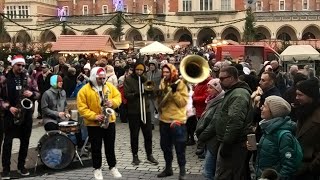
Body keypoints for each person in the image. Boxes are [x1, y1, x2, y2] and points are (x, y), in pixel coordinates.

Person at [77, 67, 122, 180]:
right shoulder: (84, 90)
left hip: (109, 121)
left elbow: (118, 97)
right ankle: (97, 169)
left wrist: (113, 102)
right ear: (93, 77)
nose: (102, 80)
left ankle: (112, 166)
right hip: (93, 124)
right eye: (100, 78)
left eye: (104, 78)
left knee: (110, 146)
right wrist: (94, 116)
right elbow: (82, 108)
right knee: (96, 147)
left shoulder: (109, 86)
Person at [0, 55, 40, 179]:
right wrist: (9, 107)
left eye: (23, 65)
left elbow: (38, 93)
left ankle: (21, 166)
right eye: (18, 65)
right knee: (7, 143)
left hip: (26, 116)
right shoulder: (3, 79)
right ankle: (6, 169)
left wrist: (32, 93)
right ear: (13, 65)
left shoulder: (28, 78)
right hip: (10, 115)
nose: (21, 68)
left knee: (25, 142)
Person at [214, 66, 252, 180]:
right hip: (230, 142)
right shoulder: (233, 92)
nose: (219, 82)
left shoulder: (239, 94)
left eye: (222, 79)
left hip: (233, 144)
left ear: (231, 78)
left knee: (226, 175)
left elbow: (235, 122)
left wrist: (227, 143)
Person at [247, 96, 298, 179]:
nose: (261, 107)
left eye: (265, 106)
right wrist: (257, 146)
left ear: (273, 112)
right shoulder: (268, 129)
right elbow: (271, 151)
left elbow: (288, 165)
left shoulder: (284, 135)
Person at [157, 63, 189, 180]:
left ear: (172, 72)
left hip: (177, 121)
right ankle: (168, 168)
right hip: (164, 119)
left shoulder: (181, 84)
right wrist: (159, 94)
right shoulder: (162, 82)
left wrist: (174, 92)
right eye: (163, 72)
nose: (165, 74)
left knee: (180, 147)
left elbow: (182, 103)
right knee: (165, 146)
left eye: (167, 72)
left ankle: (182, 171)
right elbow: (160, 102)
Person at [123, 61, 158, 166]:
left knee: (148, 134)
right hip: (134, 111)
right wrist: (138, 94)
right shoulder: (128, 80)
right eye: (137, 69)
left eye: (141, 70)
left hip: (145, 110)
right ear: (134, 69)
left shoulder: (146, 79)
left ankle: (149, 155)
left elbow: (152, 93)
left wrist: (151, 91)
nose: (139, 72)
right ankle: (135, 156)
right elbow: (127, 95)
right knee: (134, 135)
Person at [195, 78, 225, 180]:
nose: (208, 90)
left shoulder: (220, 103)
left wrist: (202, 136)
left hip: (213, 141)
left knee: (208, 172)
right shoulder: (212, 100)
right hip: (209, 140)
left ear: (217, 89)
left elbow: (213, 124)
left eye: (210, 88)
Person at [294, 78, 320, 180]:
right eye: (296, 94)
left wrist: (311, 168)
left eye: (300, 95)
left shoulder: (317, 117)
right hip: (300, 167)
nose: (296, 98)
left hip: (311, 171)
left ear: (311, 96)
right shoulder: (303, 111)